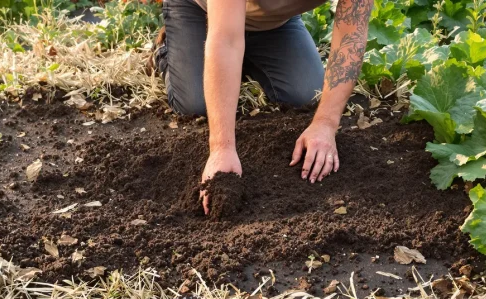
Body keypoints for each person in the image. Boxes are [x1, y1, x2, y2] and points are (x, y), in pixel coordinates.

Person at [153, 0, 373, 214]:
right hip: (200, 11)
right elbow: (226, 40)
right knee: (195, 104)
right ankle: (167, 52)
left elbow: (351, 37)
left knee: (307, 95)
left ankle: (242, 58)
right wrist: (222, 148)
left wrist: (325, 123)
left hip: (273, 23)